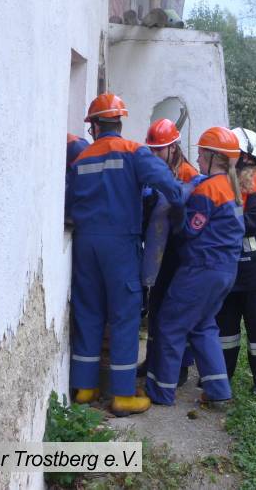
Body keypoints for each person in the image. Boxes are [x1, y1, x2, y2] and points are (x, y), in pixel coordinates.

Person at [66, 93, 184, 416]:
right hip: (120, 245)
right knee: (124, 316)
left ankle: (85, 388)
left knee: (88, 313)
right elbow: (169, 185)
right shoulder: (134, 152)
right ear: (119, 122)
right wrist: (178, 210)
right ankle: (122, 395)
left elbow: (69, 201)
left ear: (94, 126)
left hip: (85, 244)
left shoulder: (81, 158)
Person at [145, 127, 245, 408]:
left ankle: (161, 392)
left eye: (201, 154)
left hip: (201, 270)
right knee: (203, 327)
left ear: (214, 157)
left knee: (170, 324)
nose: (198, 159)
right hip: (225, 271)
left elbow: (190, 230)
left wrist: (176, 210)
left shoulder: (209, 190)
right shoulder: (231, 188)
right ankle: (218, 390)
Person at [216, 127, 256, 396]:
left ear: (244, 157)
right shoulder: (225, 182)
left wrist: (216, 220)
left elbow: (251, 223)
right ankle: (221, 375)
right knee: (225, 329)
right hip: (231, 269)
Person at [140, 118, 199, 385]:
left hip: (179, 249)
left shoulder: (187, 174)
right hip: (160, 249)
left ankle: (181, 367)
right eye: (151, 149)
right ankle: (152, 359)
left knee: (176, 310)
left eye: (159, 149)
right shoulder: (155, 172)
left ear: (173, 147)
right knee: (156, 304)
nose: (154, 154)